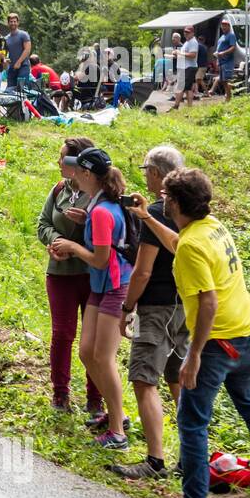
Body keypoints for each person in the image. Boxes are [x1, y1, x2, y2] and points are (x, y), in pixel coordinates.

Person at [153, 168, 250, 498]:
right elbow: (180, 244)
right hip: (244, 334)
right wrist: (144, 216)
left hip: (216, 344)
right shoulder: (211, 227)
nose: (162, 202)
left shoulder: (192, 245)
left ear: (175, 202)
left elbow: (208, 302)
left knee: (192, 420)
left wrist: (194, 356)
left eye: (166, 198)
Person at [110, 146, 188, 479]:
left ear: (156, 174)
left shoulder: (156, 213)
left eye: (146, 170)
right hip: (186, 305)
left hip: (156, 306)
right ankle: (190, 456)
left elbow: (142, 271)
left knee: (144, 380)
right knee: (178, 379)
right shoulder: (191, 210)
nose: (144, 175)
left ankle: (155, 460)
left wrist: (127, 308)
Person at [48, 147, 133, 449]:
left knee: (104, 358)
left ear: (86, 174)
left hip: (113, 285)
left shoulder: (100, 210)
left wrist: (71, 247)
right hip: (101, 286)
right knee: (86, 351)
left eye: (78, 171)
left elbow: (99, 259)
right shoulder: (102, 204)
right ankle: (115, 413)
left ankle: (118, 429)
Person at [37, 136, 104, 414]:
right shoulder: (58, 190)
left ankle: (95, 399)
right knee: (62, 334)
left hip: (91, 275)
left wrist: (88, 223)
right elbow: (43, 223)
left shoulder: (98, 194)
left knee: (94, 340)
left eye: (63, 158)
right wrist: (55, 242)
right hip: (60, 273)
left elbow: (110, 231)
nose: (58, 162)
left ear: (78, 163)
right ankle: (60, 395)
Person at [4, 12, 32, 90]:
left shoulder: (24, 34)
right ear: (8, 23)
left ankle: (24, 102)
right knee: (10, 90)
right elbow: (4, 54)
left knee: (21, 89)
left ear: (18, 23)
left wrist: (19, 62)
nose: (13, 23)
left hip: (23, 66)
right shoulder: (6, 38)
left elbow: (27, 50)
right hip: (11, 68)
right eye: (11, 21)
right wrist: (5, 60)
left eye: (14, 21)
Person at [212, 19, 238, 100]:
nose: (223, 27)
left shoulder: (231, 35)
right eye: (222, 25)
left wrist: (223, 53)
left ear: (228, 26)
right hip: (220, 61)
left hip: (227, 62)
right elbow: (219, 48)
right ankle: (227, 96)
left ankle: (229, 98)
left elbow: (233, 47)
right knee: (223, 81)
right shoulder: (222, 37)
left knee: (227, 80)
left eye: (225, 25)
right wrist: (216, 53)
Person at [174, 27, 198, 109]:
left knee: (181, 87)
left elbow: (193, 55)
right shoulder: (187, 42)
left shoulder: (193, 42)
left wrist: (180, 53)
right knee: (188, 89)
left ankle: (176, 106)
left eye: (188, 32)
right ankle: (190, 107)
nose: (186, 34)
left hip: (189, 67)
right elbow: (184, 55)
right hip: (186, 67)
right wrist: (176, 54)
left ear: (192, 33)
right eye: (185, 32)